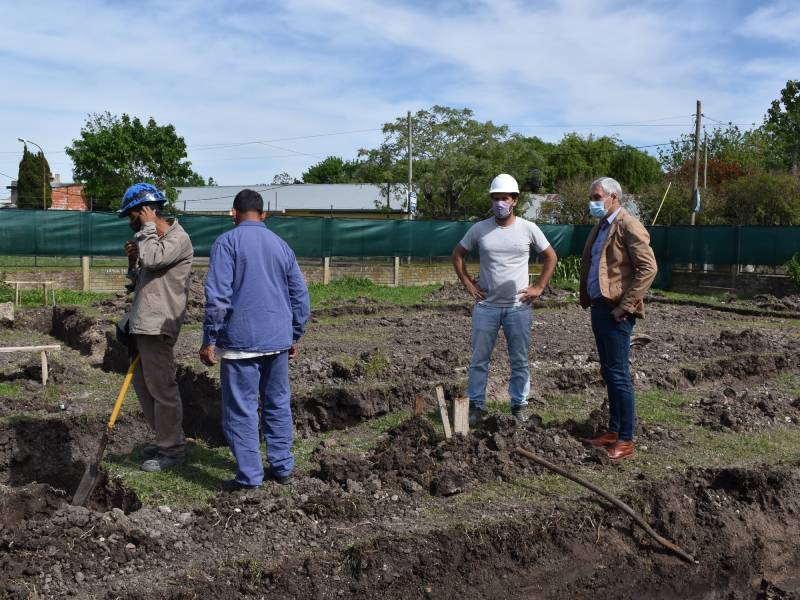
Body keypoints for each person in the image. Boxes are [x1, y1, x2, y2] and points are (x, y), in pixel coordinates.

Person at [199, 189, 310, 492]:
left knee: (241, 410)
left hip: (239, 344)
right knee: (277, 404)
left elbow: (218, 297)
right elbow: (300, 295)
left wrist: (210, 337)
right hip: (277, 340)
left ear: (232, 213)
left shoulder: (227, 242)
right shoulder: (281, 245)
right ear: (263, 215)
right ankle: (283, 466)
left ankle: (249, 476)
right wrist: (294, 334)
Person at [452, 173, 557, 426]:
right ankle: (476, 405)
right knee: (479, 361)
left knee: (519, 361)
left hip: (518, 308)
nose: (499, 203)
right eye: (495, 198)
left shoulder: (528, 229)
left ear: (515, 201)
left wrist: (539, 286)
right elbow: (457, 255)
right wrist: (468, 283)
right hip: (486, 307)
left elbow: (551, 256)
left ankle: (519, 405)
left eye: (504, 198)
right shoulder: (480, 229)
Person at [579, 177, 657, 460]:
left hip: (616, 312)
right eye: (591, 196)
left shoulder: (628, 225)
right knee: (609, 372)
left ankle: (625, 439)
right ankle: (613, 431)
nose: (593, 201)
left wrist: (625, 306)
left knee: (620, 374)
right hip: (600, 308)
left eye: (597, 196)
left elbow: (648, 268)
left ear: (614, 197)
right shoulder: (602, 226)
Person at [118, 182, 194, 472]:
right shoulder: (150, 240)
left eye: (131, 215)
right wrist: (132, 261)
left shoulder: (178, 239)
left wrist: (147, 230)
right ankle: (165, 439)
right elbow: (144, 278)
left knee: (162, 389)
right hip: (141, 325)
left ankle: (173, 450)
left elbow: (154, 257)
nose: (130, 222)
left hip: (158, 325)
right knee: (145, 388)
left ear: (144, 211)